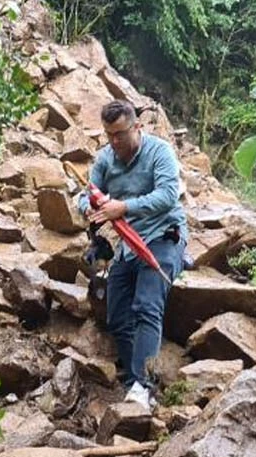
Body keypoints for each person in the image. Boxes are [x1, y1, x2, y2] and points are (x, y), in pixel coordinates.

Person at [77, 100, 187, 409]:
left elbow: (167, 196)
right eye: (109, 135)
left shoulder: (159, 152)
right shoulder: (104, 159)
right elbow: (85, 194)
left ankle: (145, 386)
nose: (114, 142)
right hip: (129, 244)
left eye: (120, 134)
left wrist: (123, 207)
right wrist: (90, 208)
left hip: (163, 236)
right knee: (118, 315)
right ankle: (134, 380)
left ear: (136, 127)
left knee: (147, 306)